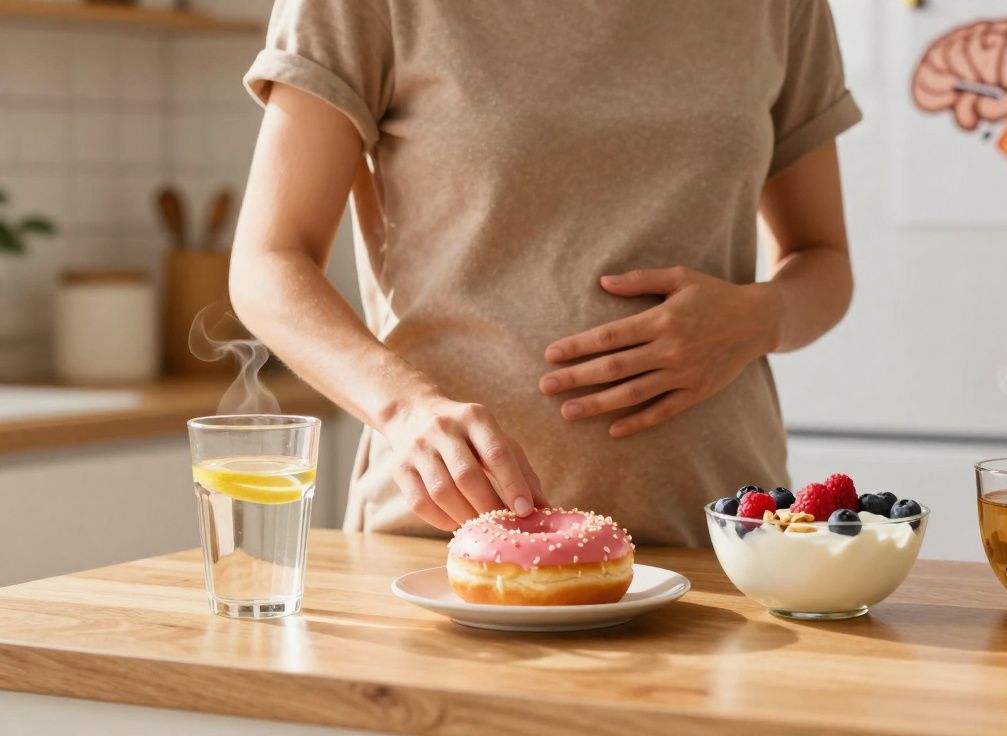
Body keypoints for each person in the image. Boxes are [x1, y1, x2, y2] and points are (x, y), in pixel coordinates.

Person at [231, 0, 861, 545]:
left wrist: (759, 316)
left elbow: (822, 259)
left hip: (723, 547)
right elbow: (268, 261)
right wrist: (406, 410)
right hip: (444, 550)